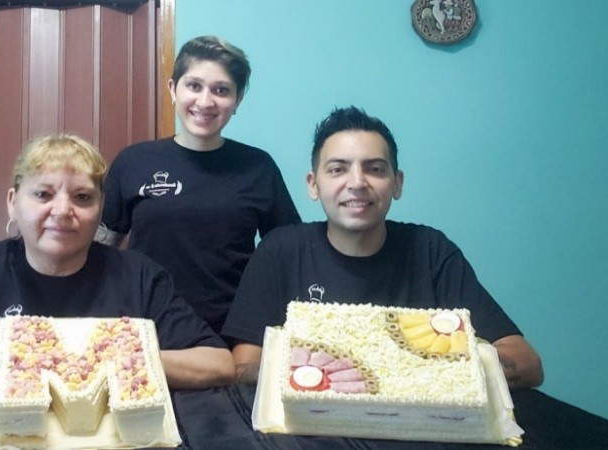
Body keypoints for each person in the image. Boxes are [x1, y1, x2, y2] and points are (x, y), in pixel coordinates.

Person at [0, 133, 235, 397]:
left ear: (100, 209)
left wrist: (118, 360)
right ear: (13, 202)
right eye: (44, 194)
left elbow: (217, 364)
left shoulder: (139, 275)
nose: (62, 210)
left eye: (82, 197)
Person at [221, 106, 544, 390]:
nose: (357, 183)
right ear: (313, 184)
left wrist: (418, 372)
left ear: (397, 182)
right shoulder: (281, 250)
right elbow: (244, 366)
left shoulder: (430, 251)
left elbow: (527, 363)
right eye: (338, 169)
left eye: (375, 169)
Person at [97, 36, 301, 335]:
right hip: (145, 328)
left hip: (234, 334)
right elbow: (99, 250)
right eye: (194, 86)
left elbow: (290, 254)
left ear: (237, 100)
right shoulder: (133, 162)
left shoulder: (258, 167)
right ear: (173, 89)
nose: (205, 102)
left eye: (221, 90)